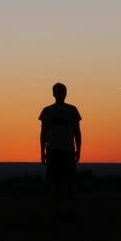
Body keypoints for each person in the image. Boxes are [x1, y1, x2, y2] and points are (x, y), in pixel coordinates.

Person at [39, 82, 82, 220]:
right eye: (58, 91)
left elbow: (77, 132)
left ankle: (69, 210)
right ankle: (57, 210)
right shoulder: (47, 111)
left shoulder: (72, 110)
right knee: (56, 182)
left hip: (67, 151)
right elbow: (43, 133)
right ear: (54, 94)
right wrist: (42, 151)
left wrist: (78, 150)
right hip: (54, 151)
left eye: (62, 91)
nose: (60, 94)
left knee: (68, 182)